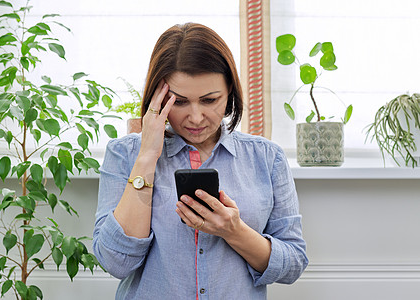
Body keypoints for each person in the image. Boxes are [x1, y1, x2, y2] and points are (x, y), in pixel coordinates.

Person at [93, 23, 308, 299]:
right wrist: (147, 156)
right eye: (179, 102)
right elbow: (115, 263)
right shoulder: (125, 155)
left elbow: (293, 264)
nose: (195, 118)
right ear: (158, 97)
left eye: (209, 100)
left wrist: (235, 231)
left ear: (230, 90)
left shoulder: (267, 158)